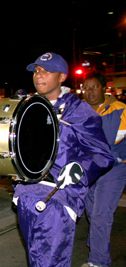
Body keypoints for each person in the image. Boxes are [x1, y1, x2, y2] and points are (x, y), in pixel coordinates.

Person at [12, 52, 114, 267]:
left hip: (58, 195)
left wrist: (80, 168)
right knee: (35, 257)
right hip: (26, 193)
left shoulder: (79, 111)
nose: (39, 76)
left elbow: (102, 154)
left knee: (51, 260)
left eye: (47, 71)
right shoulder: (27, 108)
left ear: (62, 77)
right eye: (37, 71)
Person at [81, 71, 126, 267]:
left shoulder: (118, 109)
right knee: (91, 211)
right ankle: (98, 242)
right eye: (86, 87)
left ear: (104, 88)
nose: (90, 91)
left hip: (113, 169)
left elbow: (106, 143)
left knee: (100, 214)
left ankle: (99, 261)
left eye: (95, 87)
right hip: (90, 170)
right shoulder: (79, 111)